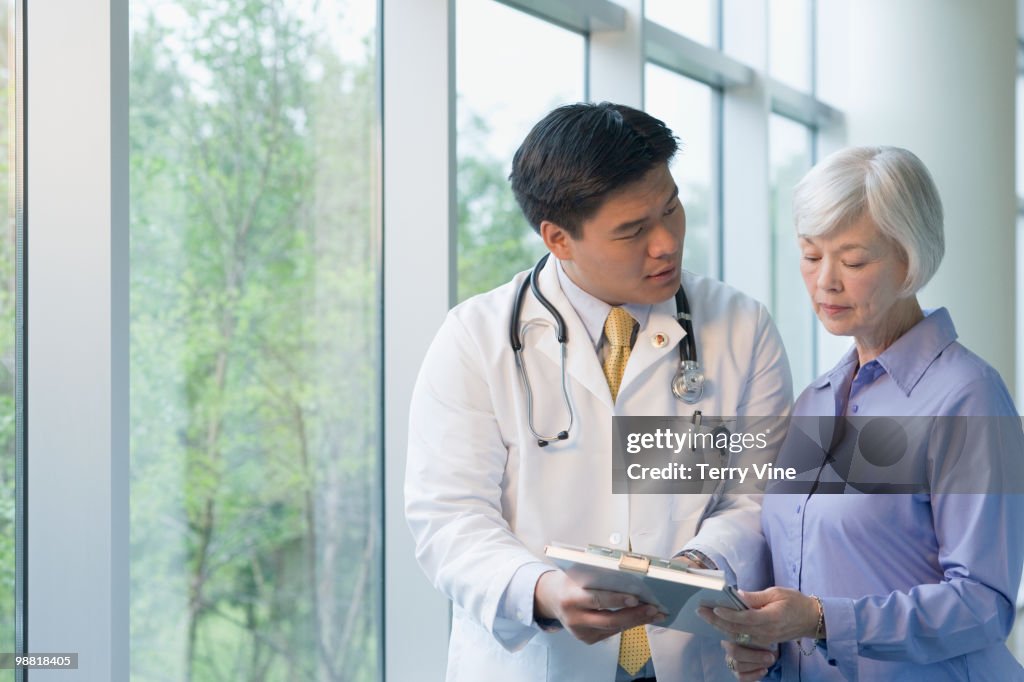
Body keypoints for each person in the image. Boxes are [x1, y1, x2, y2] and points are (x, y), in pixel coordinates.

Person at [405, 101, 792, 682]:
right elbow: (449, 516)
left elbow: (758, 495)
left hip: (691, 659)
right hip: (538, 660)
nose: (666, 242)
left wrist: (694, 568)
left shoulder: (741, 327)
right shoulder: (475, 339)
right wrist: (542, 591)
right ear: (559, 239)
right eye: (633, 230)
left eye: (672, 207)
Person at [700, 146, 1024, 681]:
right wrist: (761, 644)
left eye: (853, 261)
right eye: (810, 254)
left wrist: (824, 620)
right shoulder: (815, 401)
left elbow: (984, 603)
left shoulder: (967, 396)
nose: (826, 280)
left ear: (909, 260)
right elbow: (802, 563)